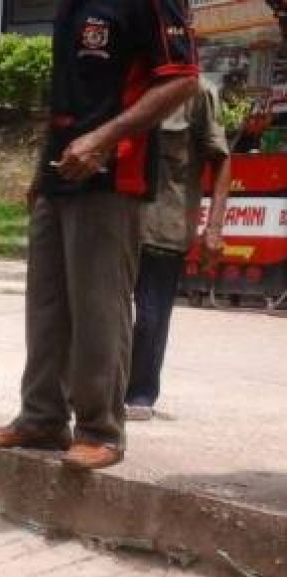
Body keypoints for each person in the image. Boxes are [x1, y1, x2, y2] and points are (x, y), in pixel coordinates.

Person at [0, 1, 199, 470]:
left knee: (99, 308)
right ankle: (42, 418)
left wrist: (104, 139)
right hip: (60, 173)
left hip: (114, 175)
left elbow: (182, 79)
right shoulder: (70, 5)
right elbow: (68, 98)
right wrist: (41, 173)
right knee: (47, 305)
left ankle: (100, 431)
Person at [126, 79, 231, 421]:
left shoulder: (198, 91)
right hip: (115, 218)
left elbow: (221, 160)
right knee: (102, 312)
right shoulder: (127, 77)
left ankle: (139, 392)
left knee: (151, 317)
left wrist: (213, 229)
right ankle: (98, 386)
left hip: (165, 222)